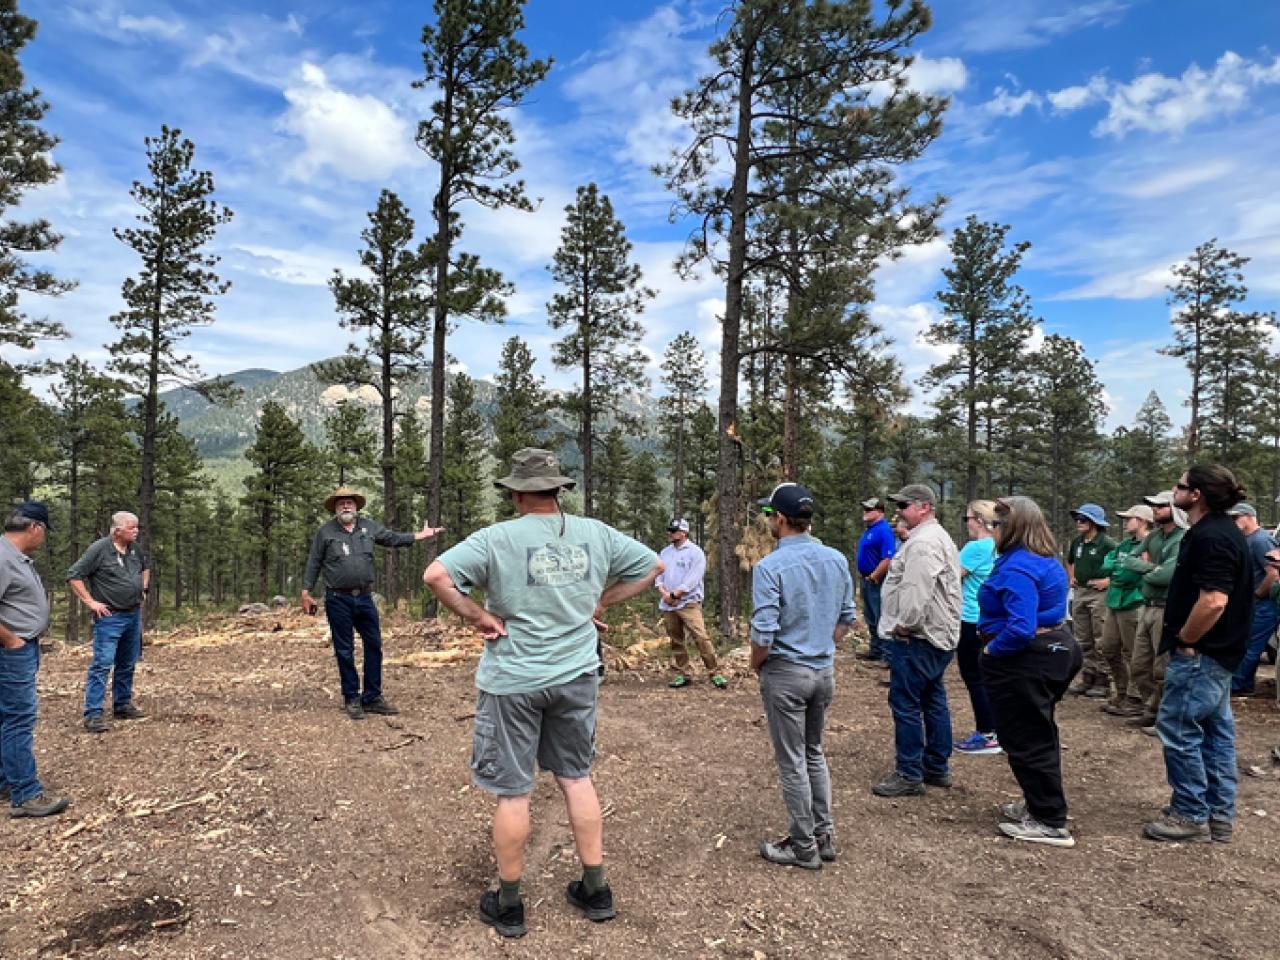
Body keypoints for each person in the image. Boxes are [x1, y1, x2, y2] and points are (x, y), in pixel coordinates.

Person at [424, 448, 661, 938]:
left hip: (513, 678)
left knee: (514, 793)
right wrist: (600, 599)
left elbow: (436, 576)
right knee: (576, 778)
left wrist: (480, 617)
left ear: (515, 492)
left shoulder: (496, 538)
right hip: (576, 674)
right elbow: (654, 566)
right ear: (558, 490)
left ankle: (509, 904)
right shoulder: (595, 533)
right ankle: (595, 890)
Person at [1144, 465, 1253, 844]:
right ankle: (1219, 812)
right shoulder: (1214, 532)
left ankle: (1190, 813)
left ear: (1197, 495)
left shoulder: (1213, 537)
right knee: (1215, 731)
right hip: (1215, 655)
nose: (1173, 489)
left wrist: (1187, 639)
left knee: (1179, 728)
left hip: (1203, 654)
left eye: (1180, 485)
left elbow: (1214, 601)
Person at [749, 482, 855, 869]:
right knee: (813, 751)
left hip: (787, 673)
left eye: (768, 515)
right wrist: (821, 647)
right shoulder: (836, 559)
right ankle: (823, 834)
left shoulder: (770, 567)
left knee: (792, 759)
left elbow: (764, 632)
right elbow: (846, 619)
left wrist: (756, 662)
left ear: (779, 518)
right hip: (823, 671)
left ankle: (802, 846)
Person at [979, 496, 1081, 847]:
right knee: (1038, 730)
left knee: (1026, 737)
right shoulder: (1042, 559)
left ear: (1013, 527)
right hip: (1053, 650)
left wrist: (993, 648)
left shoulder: (1017, 568)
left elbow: (1021, 627)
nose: (993, 530)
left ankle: (1049, 819)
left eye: (997, 524)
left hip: (1026, 659)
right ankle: (1039, 802)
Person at [301, 487, 442, 721]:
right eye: (341, 503)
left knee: (374, 645)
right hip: (338, 599)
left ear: (356, 507)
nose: (346, 506)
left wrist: (420, 535)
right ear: (335, 508)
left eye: (350, 503)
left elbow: (393, 538)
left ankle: (372, 697)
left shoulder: (369, 527)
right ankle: (351, 698)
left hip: (365, 598)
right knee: (344, 650)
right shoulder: (325, 532)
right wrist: (306, 591)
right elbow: (314, 561)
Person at [872, 483, 962, 798]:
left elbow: (916, 589)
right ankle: (937, 766)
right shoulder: (932, 538)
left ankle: (910, 772)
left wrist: (905, 625)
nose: (898, 511)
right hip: (936, 636)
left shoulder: (924, 543)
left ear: (924, 507)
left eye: (904, 505)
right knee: (933, 698)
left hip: (920, 637)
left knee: (906, 702)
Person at [1, 503, 69, 818]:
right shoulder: (3, 557)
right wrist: (11, 640)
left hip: (20, 648)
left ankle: (7, 781)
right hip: (12, 651)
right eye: (43, 532)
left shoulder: (14, 557)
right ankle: (26, 794)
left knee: (7, 718)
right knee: (18, 719)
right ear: (35, 528)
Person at [67, 511, 150, 734]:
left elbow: (145, 567)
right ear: (117, 530)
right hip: (110, 617)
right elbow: (74, 575)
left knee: (128, 661)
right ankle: (93, 713)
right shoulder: (99, 549)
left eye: (137, 527)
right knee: (102, 664)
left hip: (132, 615)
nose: (136, 531)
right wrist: (90, 602)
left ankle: (122, 704)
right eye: (132, 528)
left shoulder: (135, 549)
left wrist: (143, 588)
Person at [1119, 490, 1188, 732]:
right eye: (1153, 506)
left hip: (1167, 609)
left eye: (1161, 505)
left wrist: (1147, 572)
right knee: (1139, 665)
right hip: (1146, 607)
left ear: (1174, 509)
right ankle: (1152, 707)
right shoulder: (1155, 536)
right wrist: (1152, 569)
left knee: (1163, 667)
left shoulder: (1182, 538)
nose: (1155, 509)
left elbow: (1167, 577)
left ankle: (1164, 717)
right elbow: (1126, 559)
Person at [1097, 505, 1154, 718]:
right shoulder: (1124, 545)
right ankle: (1120, 692)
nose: (1125, 522)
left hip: (1134, 602)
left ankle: (1136, 697)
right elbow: (1106, 565)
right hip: (1114, 601)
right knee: (1109, 648)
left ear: (1142, 521)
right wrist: (1122, 567)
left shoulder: (1150, 544)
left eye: (1129, 518)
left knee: (1135, 654)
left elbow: (1131, 573)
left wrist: (1121, 569)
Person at [657, 518, 725, 689]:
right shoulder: (665, 553)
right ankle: (683, 673)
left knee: (701, 637)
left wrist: (676, 594)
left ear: (683, 533)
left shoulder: (695, 553)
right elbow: (658, 575)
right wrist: (665, 594)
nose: (670, 534)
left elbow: (693, 579)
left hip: (689, 603)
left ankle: (714, 672)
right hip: (669, 604)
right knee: (676, 639)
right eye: (670, 531)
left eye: (674, 531)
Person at [954, 500, 1000, 755]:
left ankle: (987, 733)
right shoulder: (998, 546)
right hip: (989, 619)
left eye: (968, 518)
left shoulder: (976, 547)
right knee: (988, 675)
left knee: (974, 677)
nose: (967, 523)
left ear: (980, 520)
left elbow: (950, 576)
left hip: (970, 618)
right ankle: (995, 728)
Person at [1226, 503, 1278, 696]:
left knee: (1251, 646)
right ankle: (1242, 683)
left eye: (1235, 518)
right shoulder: (1246, 539)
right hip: (1250, 604)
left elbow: (1272, 573)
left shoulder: (1260, 540)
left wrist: (1257, 594)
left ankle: (1239, 685)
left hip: (1263, 605)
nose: (1232, 522)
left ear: (1249, 516)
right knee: (1245, 643)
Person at [1065, 503, 1116, 699]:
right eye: (1077, 519)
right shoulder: (1077, 542)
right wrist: (1072, 577)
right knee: (1082, 636)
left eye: (1083, 519)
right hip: (1081, 591)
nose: (1079, 522)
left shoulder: (1107, 543)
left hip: (1099, 593)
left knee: (1100, 636)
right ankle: (1088, 675)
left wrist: (1108, 581)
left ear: (1094, 523)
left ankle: (1104, 679)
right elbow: (1070, 561)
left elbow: (1121, 565)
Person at [855, 497, 896, 663]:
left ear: (880, 512)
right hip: (867, 579)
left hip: (876, 581)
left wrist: (874, 576)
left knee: (880, 615)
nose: (865, 512)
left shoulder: (883, 530)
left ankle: (887, 654)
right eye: (865, 509)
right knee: (871, 616)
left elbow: (888, 558)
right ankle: (876, 650)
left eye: (869, 509)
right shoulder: (870, 529)